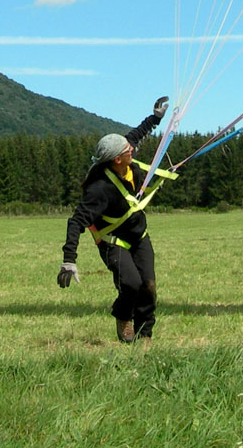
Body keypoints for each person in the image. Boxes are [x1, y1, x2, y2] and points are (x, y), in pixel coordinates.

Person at [57, 95, 175, 345]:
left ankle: (146, 336)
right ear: (116, 159)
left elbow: (138, 134)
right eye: (126, 150)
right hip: (113, 241)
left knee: (149, 286)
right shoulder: (99, 189)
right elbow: (76, 222)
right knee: (131, 284)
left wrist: (155, 117)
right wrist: (69, 260)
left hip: (139, 235)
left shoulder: (126, 154)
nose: (131, 148)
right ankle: (123, 316)